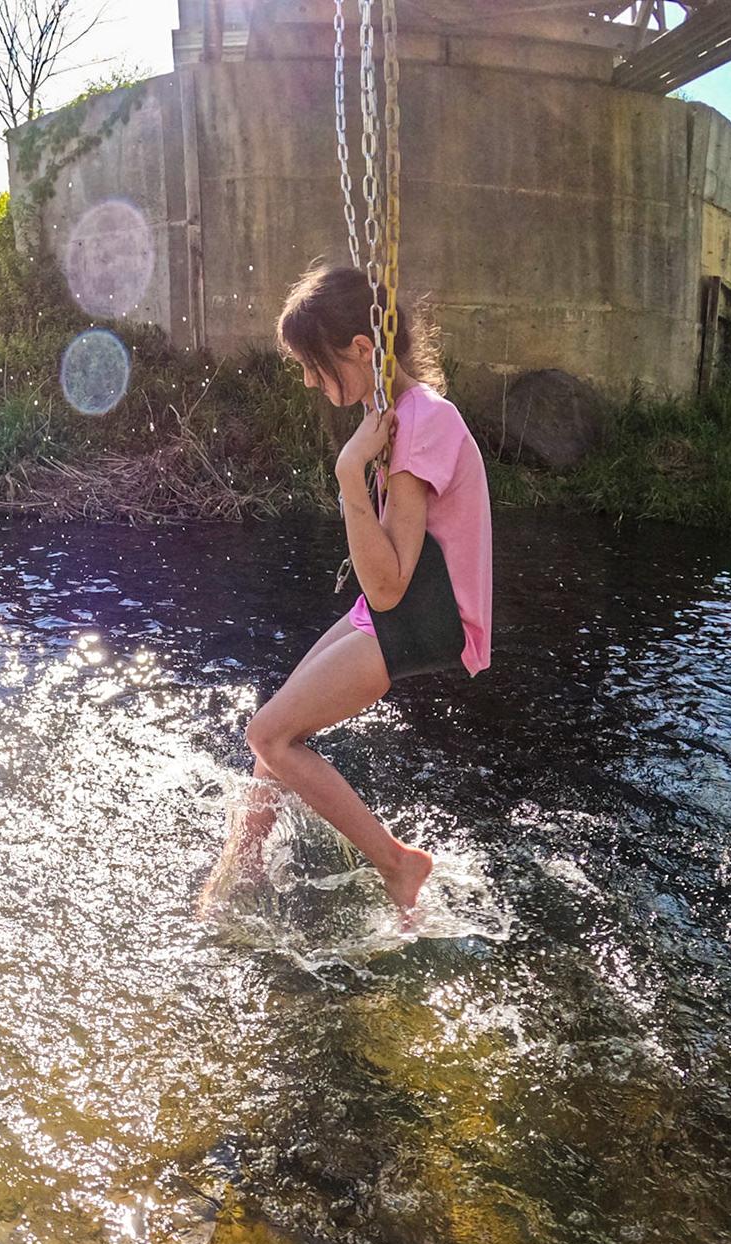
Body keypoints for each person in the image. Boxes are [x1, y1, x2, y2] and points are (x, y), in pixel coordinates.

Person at [202, 263, 492, 917]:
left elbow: (387, 587)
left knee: (270, 736)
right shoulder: (398, 412)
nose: (309, 380)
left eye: (314, 365)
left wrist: (348, 472)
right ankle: (240, 870)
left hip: (426, 615)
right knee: (277, 727)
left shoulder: (423, 421)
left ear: (361, 348)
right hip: (407, 604)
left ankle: (399, 864)